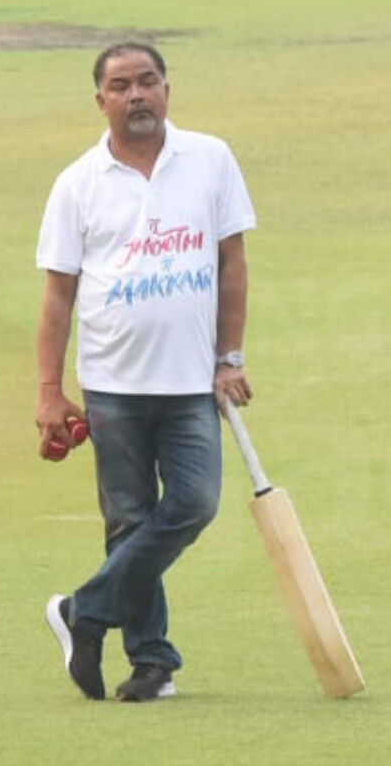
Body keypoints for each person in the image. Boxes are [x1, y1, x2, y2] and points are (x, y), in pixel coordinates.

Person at [36, 41, 255, 703]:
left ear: (167, 88)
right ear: (100, 99)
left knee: (194, 504)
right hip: (112, 384)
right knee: (129, 522)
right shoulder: (77, 182)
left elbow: (233, 266)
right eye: (122, 86)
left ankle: (83, 610)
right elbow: (57, 295)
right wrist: (48, 391)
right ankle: (152, 662)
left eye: (149, 82)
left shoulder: (211, 159)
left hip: (192, 381)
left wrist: (230, 358)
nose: (138, 96)